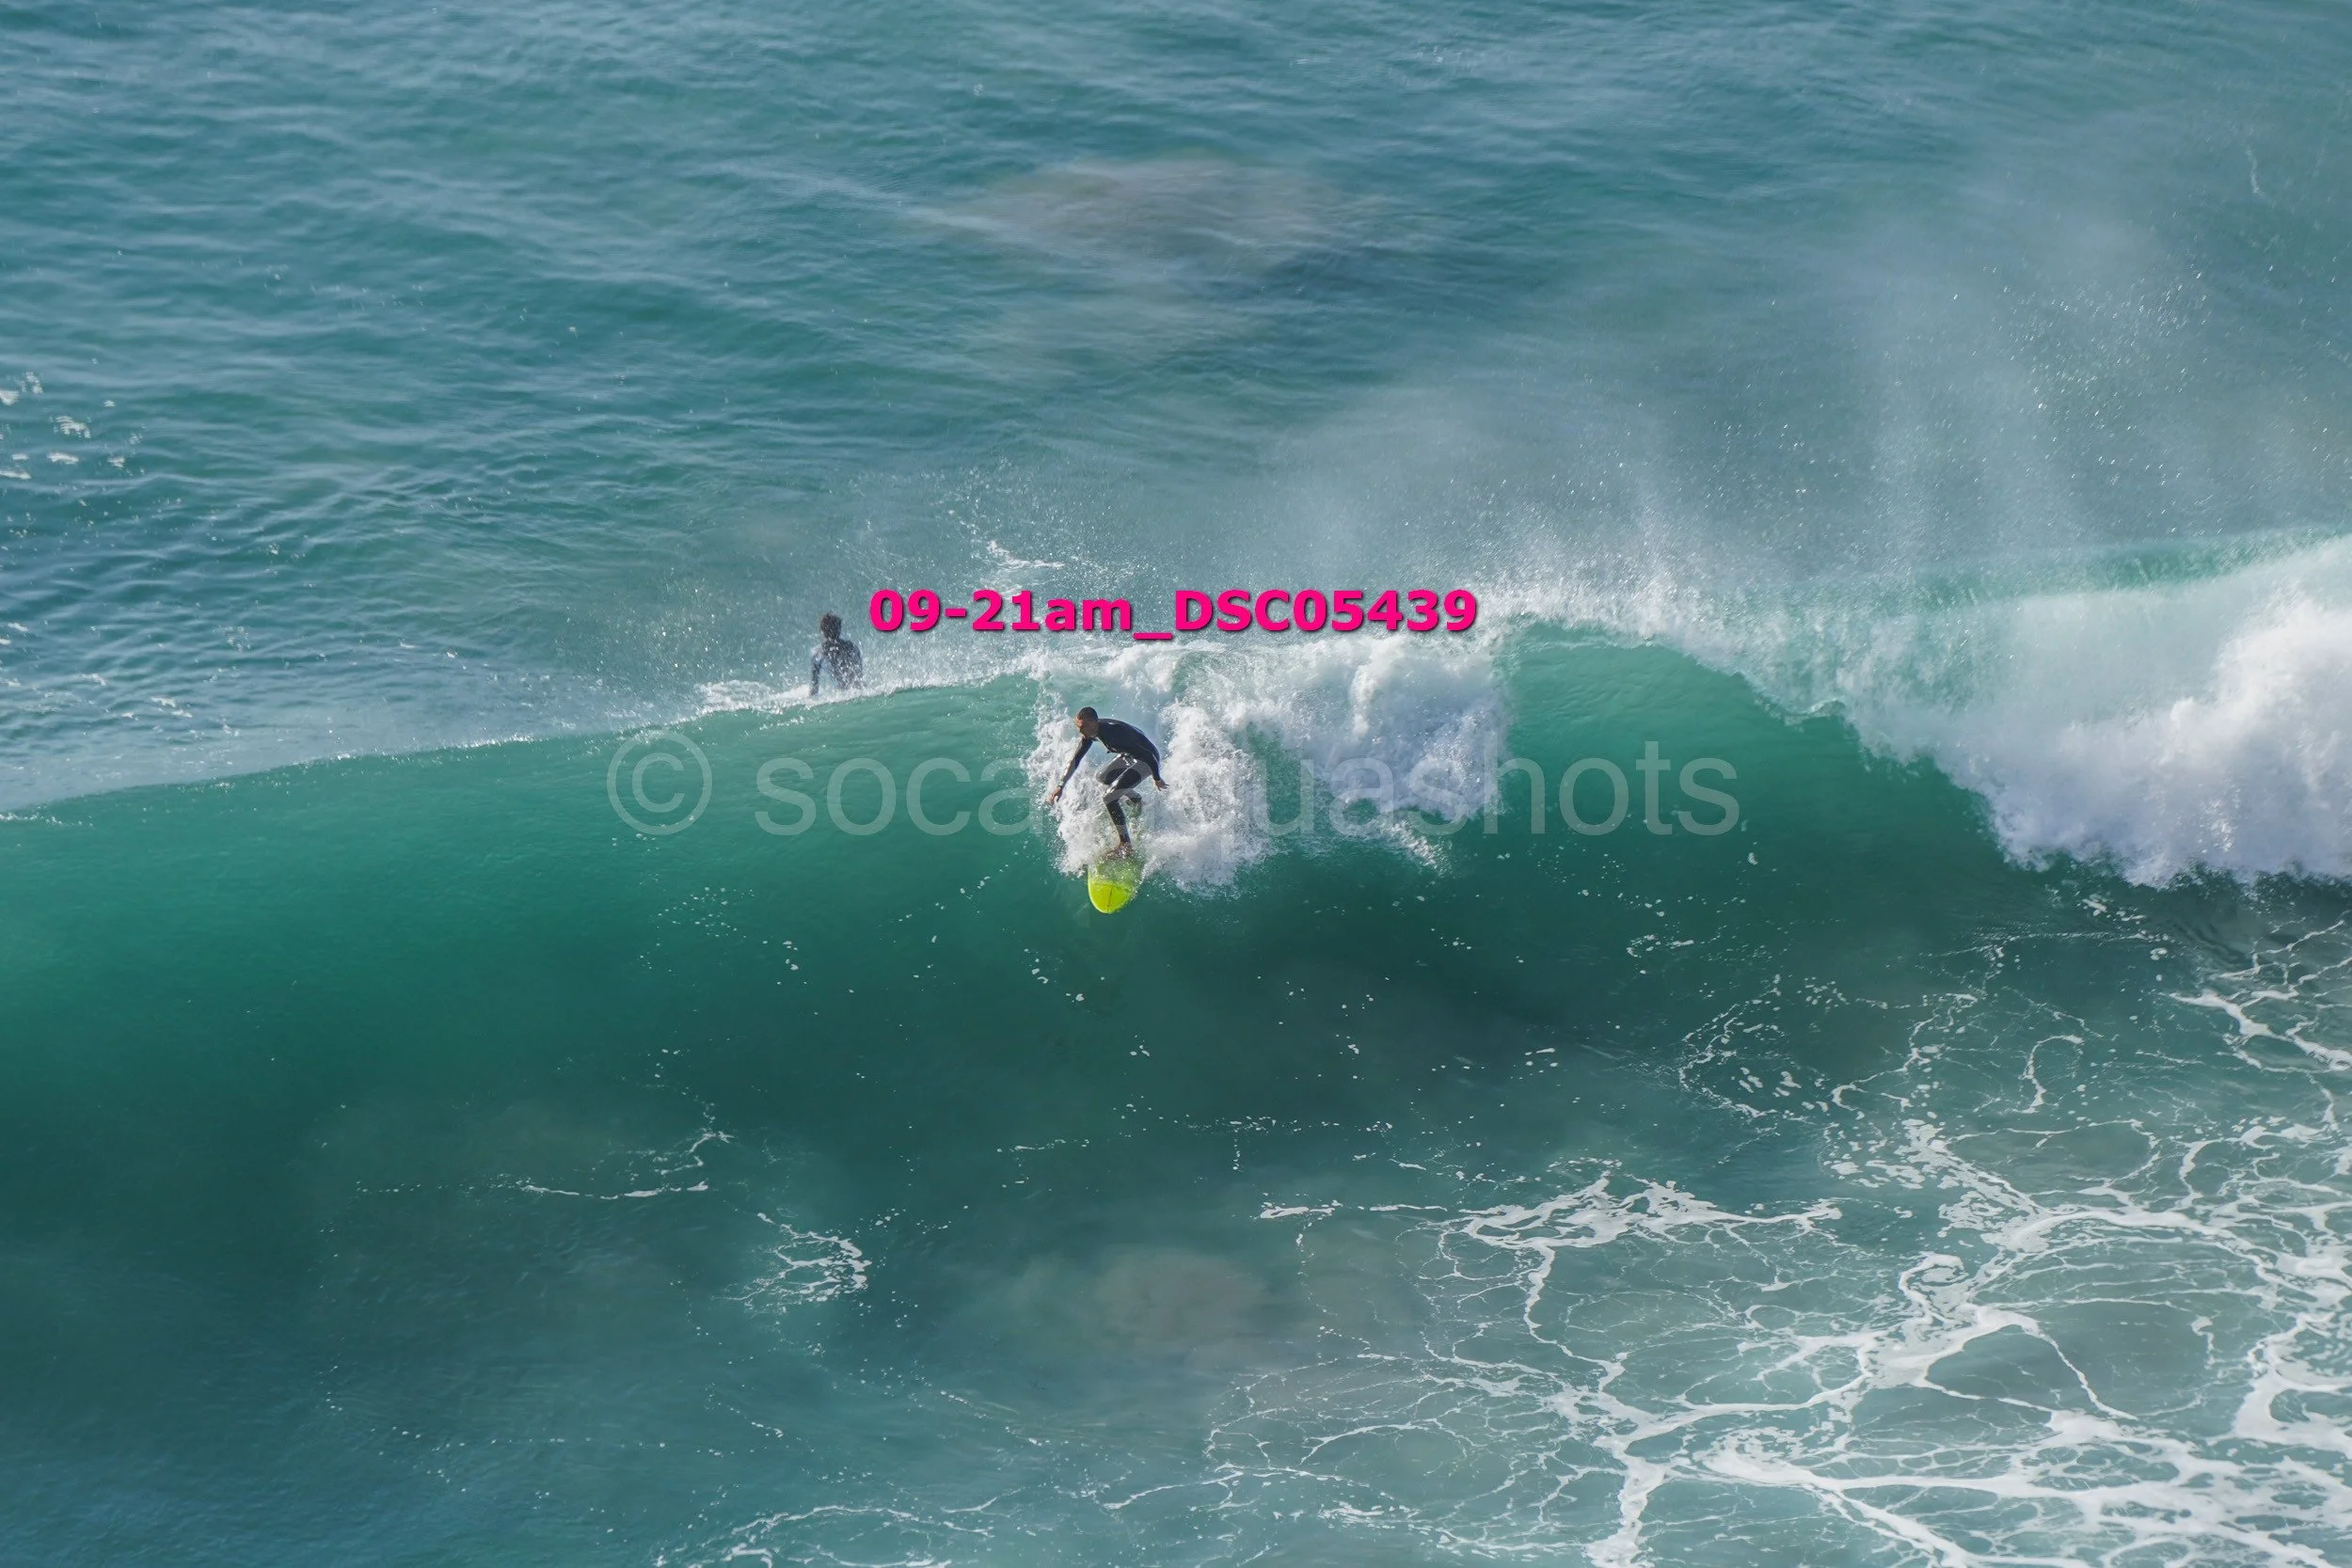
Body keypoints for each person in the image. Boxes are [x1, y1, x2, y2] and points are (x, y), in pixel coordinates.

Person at [1048, 706, 1166, 857]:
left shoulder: (1115, 734)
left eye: (1083, 727)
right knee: (1102, 778)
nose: (1080, 732)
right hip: (1130, 756)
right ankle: (1136, 799)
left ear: (1093, 723)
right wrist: (1061, 786)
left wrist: (1157, 778)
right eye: (1078, 727)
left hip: (1147, 761)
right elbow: (1075, 760)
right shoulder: (1090, 734)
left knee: (1109, 798)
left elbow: (1149, 755)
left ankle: (1126, 845)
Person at [809, 612, 864, 698]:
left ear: (822, 631)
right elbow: (859, 673)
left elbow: (814, 683)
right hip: (853, 690)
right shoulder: (850, 646)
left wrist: (811, 698)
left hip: (844, 691)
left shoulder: (818, 652)